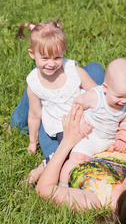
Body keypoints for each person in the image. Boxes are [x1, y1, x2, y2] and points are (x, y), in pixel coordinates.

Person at [13, 20, 97, 154]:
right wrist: (33, 142)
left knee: (98, 146)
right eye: (45, 58)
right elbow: (35, 115)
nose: (51, 64)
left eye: (57, 57)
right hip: (61, 128)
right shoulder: (34, 84)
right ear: (32, 54)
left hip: (85, 120)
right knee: (72, 154)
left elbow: (95, 91)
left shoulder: (73, 71)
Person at [59, 58, 126, 184]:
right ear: (105, 88)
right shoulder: (94, 96)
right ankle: (63, 184)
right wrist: (82, 123)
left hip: (112, 139)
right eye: (119, 97)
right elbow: (77, 104)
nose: (124, 101)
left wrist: (122, 138)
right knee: (76, 158)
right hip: (91, 136)